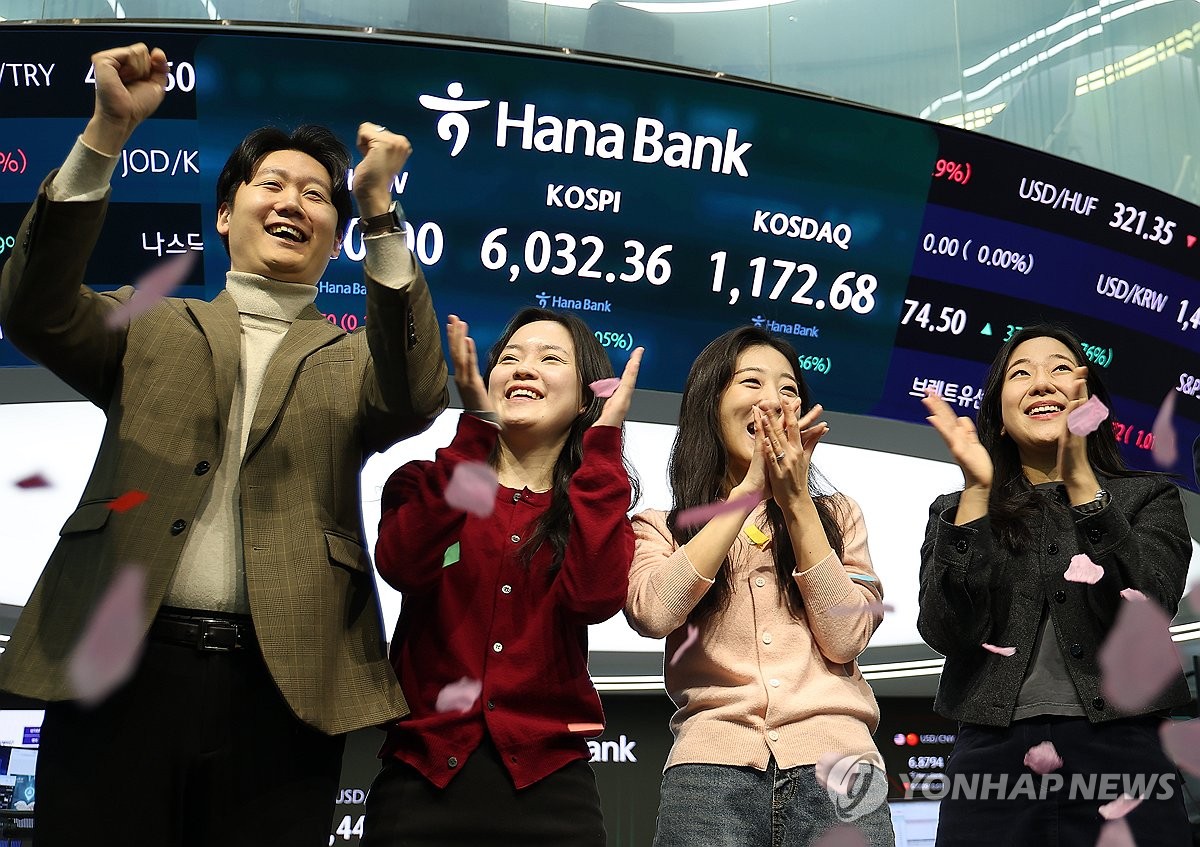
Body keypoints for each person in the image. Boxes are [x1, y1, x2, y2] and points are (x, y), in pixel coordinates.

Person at [0, 43, 449, 846]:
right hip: (115, 663)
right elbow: (32, 306)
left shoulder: (354, 359)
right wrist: (105, 135)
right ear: (223, 213)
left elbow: (417, 392)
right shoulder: (148, 322)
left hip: (285, 687)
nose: (293, 202)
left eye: (318, 195)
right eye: (270, 184)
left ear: (336, 238)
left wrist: (379, 209)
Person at [361, 309, 642, 846]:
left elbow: (593, 598)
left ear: (586, 399)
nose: (524, 368)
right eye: (510, 358)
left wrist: (605, 443)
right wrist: (475, 432)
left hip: (551, 790)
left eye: (550, 358)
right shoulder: (422, 482)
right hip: (421, 780)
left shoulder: (594, 511)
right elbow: (404, 563)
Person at [918, 323, 1192, 846]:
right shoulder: (956, 510)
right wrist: (976, 493)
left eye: (1060, 369)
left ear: (1091, 404)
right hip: (990, 764)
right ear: (999, 417)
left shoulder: (1147, 498)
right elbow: (944, 630)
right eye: (1020, 374)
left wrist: (1083, 482)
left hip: (1125, 752)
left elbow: (1147, 610)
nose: (1041, 383)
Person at [625, 326, 895, 847]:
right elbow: (653, 613)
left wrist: (796, 503)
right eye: (752, 382)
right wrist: (747, 493)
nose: (773, 401)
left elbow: (845, 639)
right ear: (711, 404)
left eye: (788, 389)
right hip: (709, 771)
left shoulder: (839, 516)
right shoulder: (660, 526)